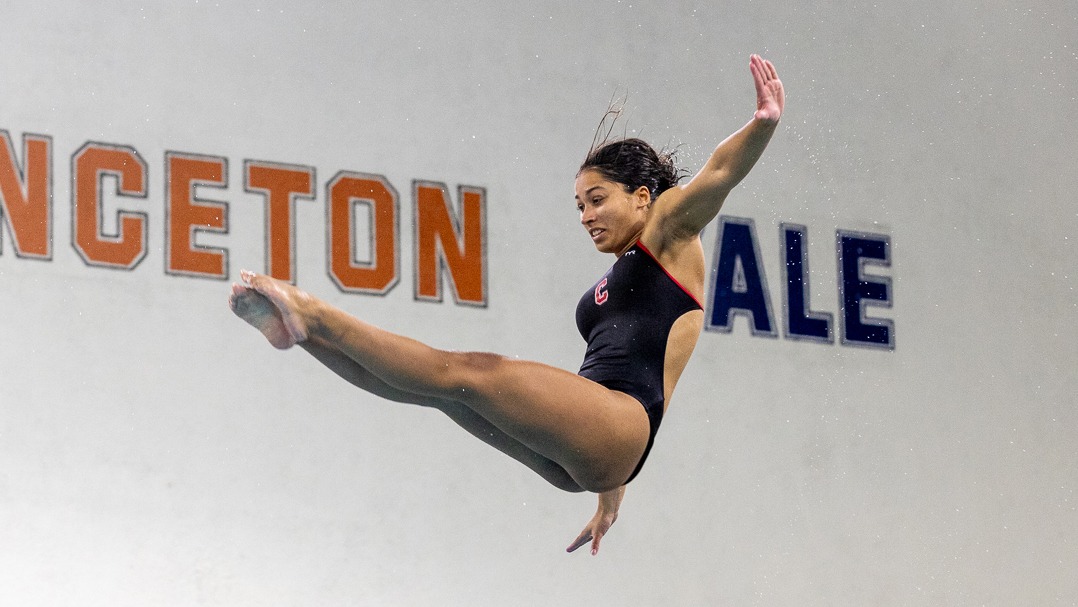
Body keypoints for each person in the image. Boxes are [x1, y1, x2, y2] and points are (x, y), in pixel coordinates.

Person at [229, 54, 784, 555]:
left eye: (597, 200)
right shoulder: (621, 274)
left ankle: (316, 313)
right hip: (595, 449)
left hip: (620, 429)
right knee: (437, 393)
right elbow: (624, 372)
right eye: (578, 207)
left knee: (464, 372)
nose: (586, 216)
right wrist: (610, 492)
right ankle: (304, 335)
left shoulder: (671, 232)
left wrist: (763, 123)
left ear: (642, 196)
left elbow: (719, 174)